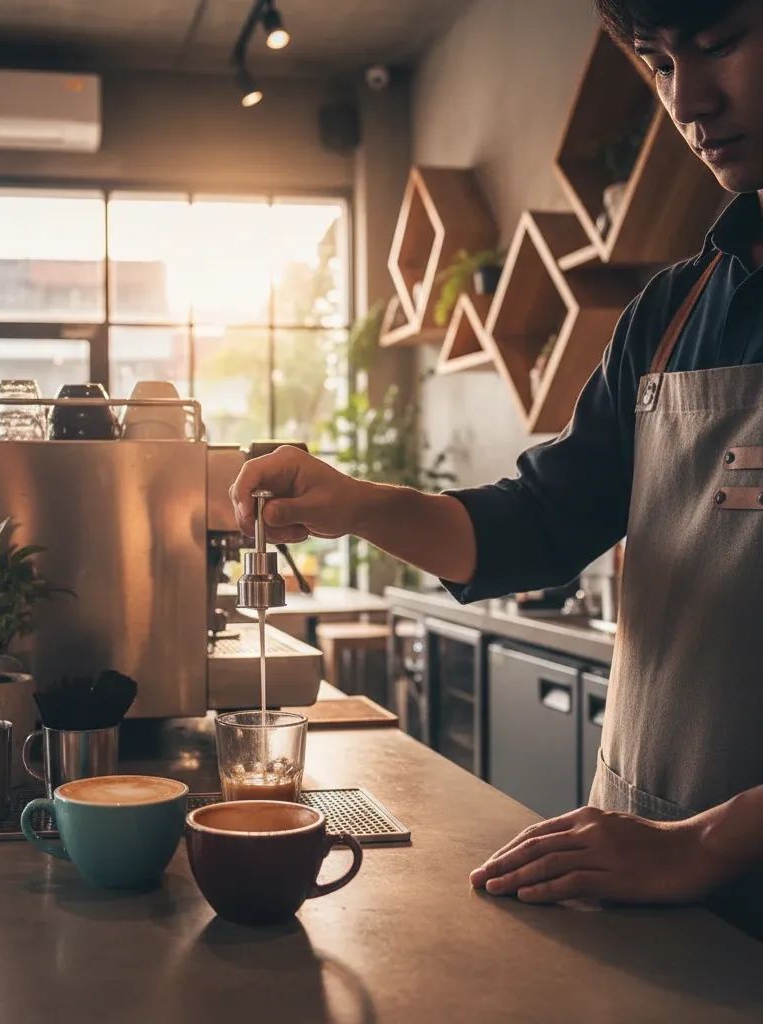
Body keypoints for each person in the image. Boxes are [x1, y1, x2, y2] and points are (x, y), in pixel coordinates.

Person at [231, 0, 763, 934]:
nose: (689, 100)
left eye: (717, 45)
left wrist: (708, 844)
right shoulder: (675, 311)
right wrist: (352, 502)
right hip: (645, 880)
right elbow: (541, 525)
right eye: (659, 63)